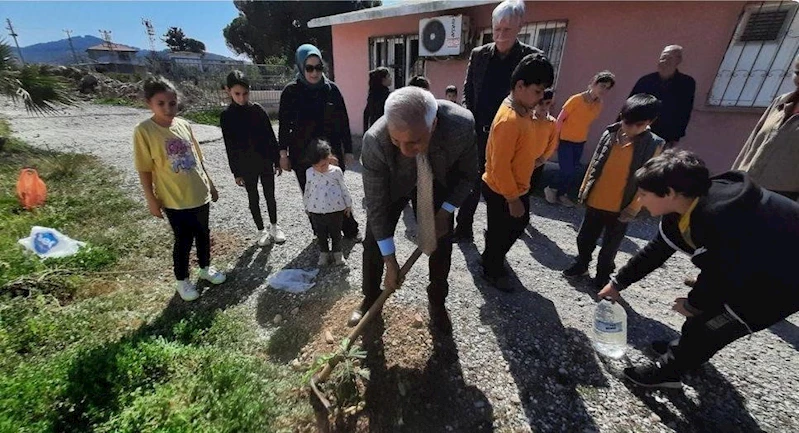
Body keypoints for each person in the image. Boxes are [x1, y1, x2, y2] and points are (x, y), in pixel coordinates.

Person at [598, 150, 799, 388]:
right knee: (701, 320)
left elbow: (720, 275)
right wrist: (618, 283)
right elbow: (657, 249)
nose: (639, 200)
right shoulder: (686, 204)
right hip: (745, 266)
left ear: (670, 193)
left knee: (713, 324)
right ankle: (685, 351)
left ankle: (669, 372)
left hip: (782, 280)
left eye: (643, 194)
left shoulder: (721, 217)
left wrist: (694, 305)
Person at [350, 86, 478, 334]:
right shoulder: (375, 141)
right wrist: (390, 261)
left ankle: (437, 302)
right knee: (374, 241)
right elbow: (376, 208)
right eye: (397, 141)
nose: (405, 151)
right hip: (393, 184)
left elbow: (468, 176)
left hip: (435, 181)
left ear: (434, 125)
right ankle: (370, 296)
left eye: (415, 142)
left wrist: (445, 211)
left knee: (442, 242)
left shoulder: (460, 127)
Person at [453, 0, 542, 243]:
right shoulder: (479, 54)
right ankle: (464, 228)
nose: (501, 36)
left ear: (520, 27)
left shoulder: (532, 58)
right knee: (471, 181)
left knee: (504, 187)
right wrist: (466, 118)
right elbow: (468, 91)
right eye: (497, 29)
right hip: (479, 132)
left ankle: (496, 241)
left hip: (511, 135)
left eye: (507, 30)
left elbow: (539, 95)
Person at [133, 77, 226, 302]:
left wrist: (210, 185)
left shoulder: (184, 125)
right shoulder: (144, 131)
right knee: (183, 240)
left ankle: (205, 268)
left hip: (198, 194)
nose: (168, 108)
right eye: (161, 103)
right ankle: (182, 280)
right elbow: (144, 169)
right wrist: (151, 198)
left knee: (204, 234)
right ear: (149, 104)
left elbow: (198, 159)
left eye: (172, 103)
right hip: (174, 199)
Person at [562, 94, 664, 289]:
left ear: (651, 122)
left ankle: (602, 275)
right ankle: (582, 264)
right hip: (596, 200)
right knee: (584, 238)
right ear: (621, 115)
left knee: (609, 247)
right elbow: (594, 163)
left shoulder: (654, 145)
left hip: (621, 208)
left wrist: (633, 208)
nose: (631, 128)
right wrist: (584, 189)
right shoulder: (609, 134)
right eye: (627, 122)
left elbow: (647, 181)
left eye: (639, 125)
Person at [481, 53, 555, 292]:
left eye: (543, 91)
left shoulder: (523, 110)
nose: (541, 97)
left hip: (516, 185)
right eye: (537, 91)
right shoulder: (509, 120)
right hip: (503, 189)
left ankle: (491, 255)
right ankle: (491, 270)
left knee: (510, 226)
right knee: (509, 226)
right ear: (520, 86)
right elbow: (500, 166)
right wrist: (512, 199)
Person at [279, 44, 361, 241]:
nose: (315, 72)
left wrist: (348, 150)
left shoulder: (332, 90)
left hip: (331, 153)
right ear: (301, 67)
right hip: (302, 155)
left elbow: (343, 122)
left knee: (336, 192)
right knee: (313, 195)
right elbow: (284, 125)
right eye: (309, 68)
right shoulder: (291, 92)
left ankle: (350, 231)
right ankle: (321, 233)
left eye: (318, 67)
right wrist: (283, 154)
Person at [220, 70, 286, 247]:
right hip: (246, 165)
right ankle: (260, 230)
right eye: (237, 94)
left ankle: (274, 226)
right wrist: (236, 172)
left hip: (264, 161)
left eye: (245, 93)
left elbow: (270, 137)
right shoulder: (226, 116)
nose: (242, 98)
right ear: (228, 91)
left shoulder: (258, 110)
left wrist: (276, 160)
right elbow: (230, 146)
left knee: (270, 195)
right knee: (253, 197)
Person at [731, 53, 799, 201]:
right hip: (745, 186)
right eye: (798, 72)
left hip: (780, 198)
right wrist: (732, 179)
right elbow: (751, 143)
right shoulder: (781, 102)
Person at [544, 71, 616, 207]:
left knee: (573, 170)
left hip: (580, 141)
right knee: (567, 169)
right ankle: (551, 188)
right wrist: (556, 139)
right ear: (594, 83)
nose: (604, 90)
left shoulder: (599, 104)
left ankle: (562, 194)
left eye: (607, 88)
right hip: (565, 139)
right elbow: (560, 119)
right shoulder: (576, 99)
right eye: (602, 85)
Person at [627, 45, 696, 149]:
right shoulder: (646, 81)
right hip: (639, 133)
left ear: (678, 61)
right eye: (663, 57)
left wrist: (675, 138)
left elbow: (685, 111)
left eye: (669, 58)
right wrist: (621, 128)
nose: (664, 61)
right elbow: (629, 106)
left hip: (665, 137)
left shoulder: (686, 83)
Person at [303, 139, 353, 267]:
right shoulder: (309, 172)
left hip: (336, 210)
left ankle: (338, 254)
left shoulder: (336, 171)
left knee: (336, 233)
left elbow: (344, 188)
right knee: (321, 234)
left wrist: (348, 204)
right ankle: (324, 253)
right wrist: (306, 206)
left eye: (324, 165)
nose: (320, 169)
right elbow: (307, 190)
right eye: (317, 166)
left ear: (329, 158)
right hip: (316, 210)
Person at [529, 88, 558, 190]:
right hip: (523, 160)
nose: (544, 107)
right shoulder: (527, 119)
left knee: (530, 189)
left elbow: (552, 143)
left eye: (548, 103)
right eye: (541, 103)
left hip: (538, 163)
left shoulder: (552, 123)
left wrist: (541, 160)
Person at [363, 66, 392, 133]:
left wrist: (366, 131)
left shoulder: (372, 95)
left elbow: (366, 114)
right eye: (388, 76)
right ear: (382, 79)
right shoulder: (386, 96)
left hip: (374, 129)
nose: (391, 78)